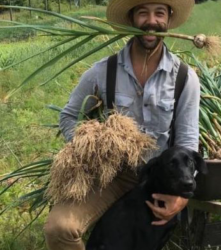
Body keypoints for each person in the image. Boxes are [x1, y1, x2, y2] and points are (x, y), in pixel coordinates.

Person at [43, 0, 200, 249]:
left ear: (168, 20)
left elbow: (188, 141)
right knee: (59, 228)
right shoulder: (103, 71)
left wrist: (181, 196)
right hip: (111, 175)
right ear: (131, 19)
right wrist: (89, 144)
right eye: (142, 13)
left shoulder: (184, 77)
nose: (151, 22)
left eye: (159, 13)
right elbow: (68, 116)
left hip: (159, 177)